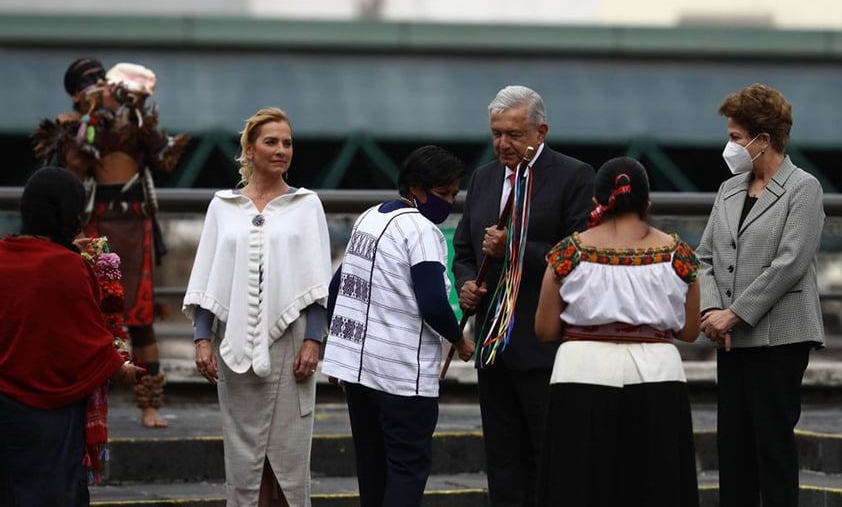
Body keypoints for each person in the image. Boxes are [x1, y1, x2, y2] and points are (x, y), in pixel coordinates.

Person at [452, 85, 596, 507]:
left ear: (541, 130)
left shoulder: (574, 176)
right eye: (496, 133)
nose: (502, 144)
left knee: (549, 456)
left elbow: (577, 255)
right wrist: (465, 284)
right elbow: (464, 250)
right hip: (493, 346)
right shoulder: (483, 177)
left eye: (513, 134)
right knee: (502, 459)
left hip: (545, 343)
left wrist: (514, 247)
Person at [183, 107, 332, 507]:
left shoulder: (306, 204)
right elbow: (207, 275)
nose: (281, 150)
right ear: (249, 150)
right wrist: (201, 338)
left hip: (291, 341)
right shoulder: (223, 206)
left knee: (288, 452)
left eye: (287, 143)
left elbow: (317, 279)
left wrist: (314, 341)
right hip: (234, 342)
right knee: (245, 458)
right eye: (271, 142)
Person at [31, 57, 190, 428]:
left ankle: (150, 404)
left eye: (101, 78)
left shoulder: (132, 121)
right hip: (95, 226)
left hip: (137, 226)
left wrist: (134, 116)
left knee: (142, 318)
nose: (99, 85)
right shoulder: (75, 128)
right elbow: (74, 170)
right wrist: (90, 124)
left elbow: (165, 159)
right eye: (89, 82)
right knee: (89, 318)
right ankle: (83, 404)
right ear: (75, 92)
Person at [534, 156, 701, 507]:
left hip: (581, 369)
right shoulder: (678, 254)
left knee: (578, 481)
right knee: (656, 482)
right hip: (658, 370)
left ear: (597, 202)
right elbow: (688, 331)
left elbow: (545, 329)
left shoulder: (569, 253)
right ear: (647, 203)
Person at [321, 145, 476, 507]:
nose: (450, 202)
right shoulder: (421, 231)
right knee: (407, 468)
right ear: (416, 189)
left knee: (372, 469)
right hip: (402, 375)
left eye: (454, 193)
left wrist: (342, 353)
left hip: (360, 373)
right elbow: (433, 302)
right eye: (442, 194)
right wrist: (459, 339)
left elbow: (337, 288)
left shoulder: (369, 218)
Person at [697, 83, 825, 507]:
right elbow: (704, 258)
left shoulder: (804, 189)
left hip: (779, 339)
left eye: (735, 137)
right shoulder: (729, 189)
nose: (728, 145)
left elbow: (789, 264)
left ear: (763, 139)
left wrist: (733, 314)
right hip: (730, 339)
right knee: (732, 448)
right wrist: (713, 310)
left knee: (772, 447)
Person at [0, 167, 144, 507]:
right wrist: (121, 370)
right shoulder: (69, 267)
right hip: (49, 422)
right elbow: (87, 341)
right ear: (68, 215)